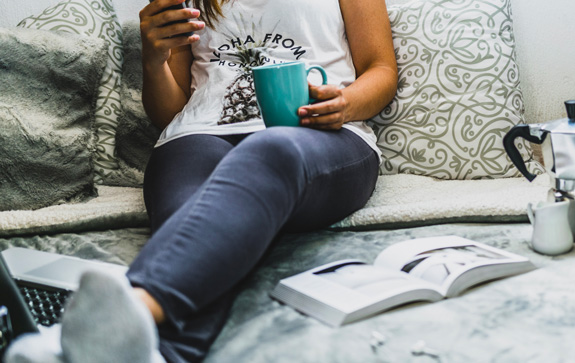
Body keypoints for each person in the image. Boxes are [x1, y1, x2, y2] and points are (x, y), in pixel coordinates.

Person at [6, 0, 397, 362]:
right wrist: (154, 58)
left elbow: (380, 68)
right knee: (193, 224)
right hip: (196, 135)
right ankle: (160, 354)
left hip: (318, 135)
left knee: (270, 149)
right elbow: (169, 111)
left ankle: (128, 309)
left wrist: (343, 104)